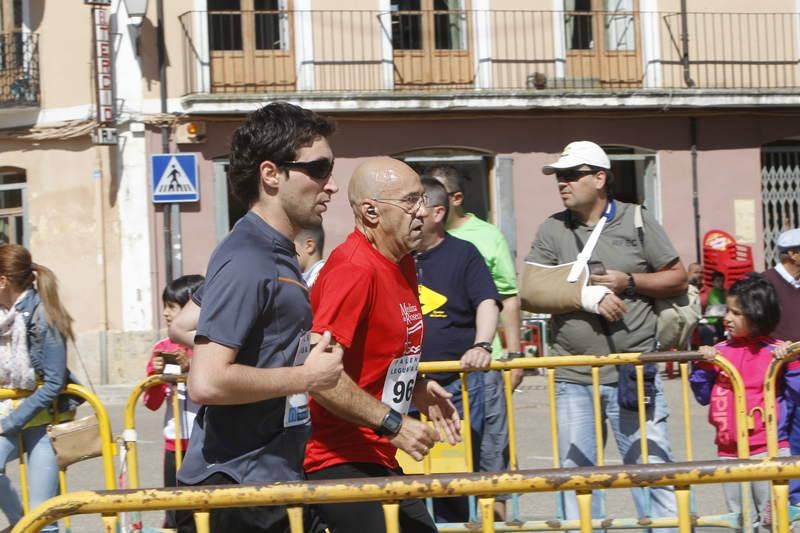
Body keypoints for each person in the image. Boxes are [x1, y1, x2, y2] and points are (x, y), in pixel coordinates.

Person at [176, 102, 344, 533]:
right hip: (235, 494)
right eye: (319, 168)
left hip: (269, 483)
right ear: (272, 174)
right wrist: (306, 377)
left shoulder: (275, 254)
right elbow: (208, 381)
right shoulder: (248, 257)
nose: (331, 185)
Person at [525, 141, 686, 532]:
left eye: (571, 175)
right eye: (558, 177)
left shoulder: (635, 220)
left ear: (600, 178)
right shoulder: (552, 227)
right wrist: (586, 296)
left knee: (650, 469)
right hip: (573, 372)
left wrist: (629, 281)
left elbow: (677, 275)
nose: (562, 183)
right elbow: (530, 289)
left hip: (633, 370)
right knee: (577, 477)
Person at [304, 157, 461, 533]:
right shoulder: (354, 269)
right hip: (334, 458)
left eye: (423, 199)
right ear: (371, 212)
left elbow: (377, 355)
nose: (423, 212)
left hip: (375, 451)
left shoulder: (401, 261)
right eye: (410, 202)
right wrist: (394, 423)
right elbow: (318, 375)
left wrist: (417, 388)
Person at [428, 165, 521, 519]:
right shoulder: (399, 254)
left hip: (475, 377)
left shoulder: (472, 247)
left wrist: (494, 348)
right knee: (431, 474)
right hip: (420, 380)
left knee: (487, 466)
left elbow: (498, 298)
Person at [415, 177, 501, 521]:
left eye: (415, 204)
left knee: (457, 477)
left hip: (457, 387)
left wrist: (482, 344)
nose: (409, 213)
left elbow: (487, 301)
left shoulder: (463, 253)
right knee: (410, 477)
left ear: (437, 212)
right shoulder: (396, 256)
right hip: (407, 387)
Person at [690, 274, 798, 532]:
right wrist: (703, 365)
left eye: (736, 313)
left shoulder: (777, 351)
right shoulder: (720, 352)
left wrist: (791, 360)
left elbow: (797, 393)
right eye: (728, 310)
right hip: (729, 449)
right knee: (740, 519)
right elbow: (702, 395)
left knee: (774, 518)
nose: (727, 317)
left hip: (770, 447)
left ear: (758, 316)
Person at [0, 244, 80, 533]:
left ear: (3, 281)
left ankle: (29, 525)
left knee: (45, 513)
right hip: (13, 409)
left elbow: (55, 383)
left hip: (46, 417)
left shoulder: (42, 316)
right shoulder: (3, 316)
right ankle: (20, 526)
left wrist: (11, 421)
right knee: (34, 519)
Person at [143, 274, 204, 529]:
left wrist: (190, 365)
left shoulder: (206, 343)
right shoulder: (161, 347)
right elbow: (151, 402)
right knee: (176, 508)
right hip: (174, 442)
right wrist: (155, 376)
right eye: (165, 306)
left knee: (204, 505)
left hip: (206, 440)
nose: (166, 313)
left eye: (173, 306)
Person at [762, 228, 800, 506]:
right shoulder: (763, 284)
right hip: (771, 374)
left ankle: (796, 497)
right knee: (778, 433)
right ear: (793, 254)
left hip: (798, 373)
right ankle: (777, 498)